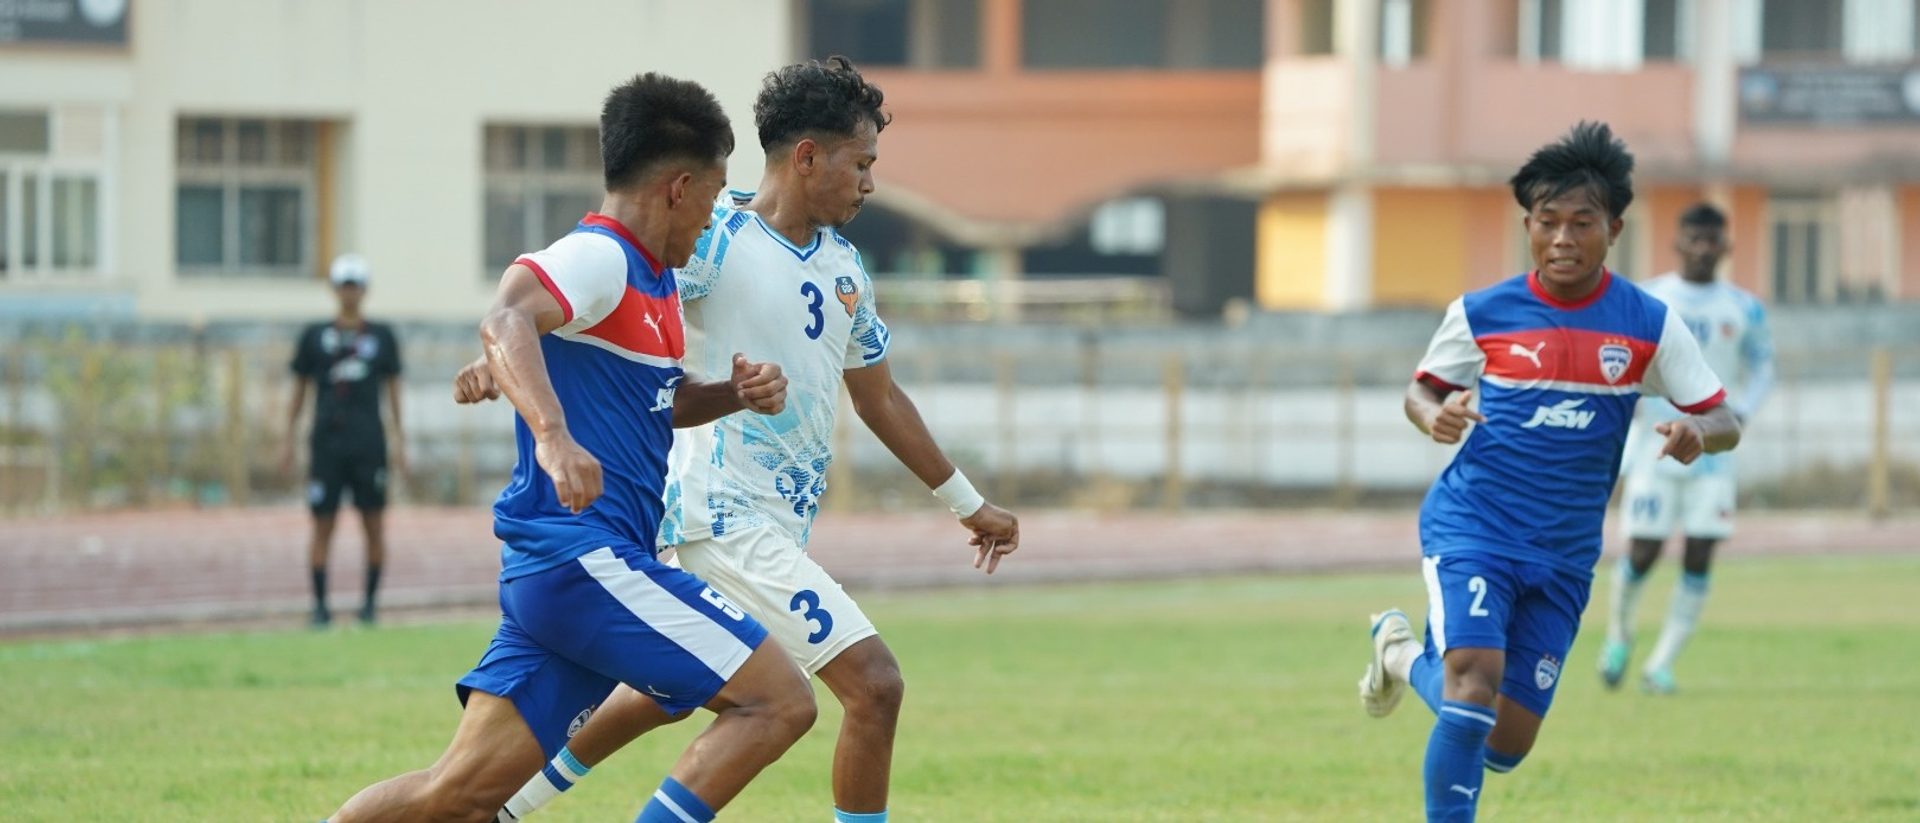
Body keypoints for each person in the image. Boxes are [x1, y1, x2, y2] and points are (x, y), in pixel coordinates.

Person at [471, 56, 1021, 823]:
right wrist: (502, 360)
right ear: (805, 157)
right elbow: (598, 298)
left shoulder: (846, 270)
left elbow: (880, 396)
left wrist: (967, 502)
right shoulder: (709, 234)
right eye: (860, 163)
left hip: (773, 523)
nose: (869, 182)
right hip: (717, 512)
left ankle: (509, 804)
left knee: (662, 694)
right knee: (873, 684)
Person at [326, 72, 817, 823]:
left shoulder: (652, 287)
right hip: (584, 559)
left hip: (565, 573)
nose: (715, 214)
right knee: (779, 701)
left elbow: (656, 402)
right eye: (717, 195)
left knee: (457, 796)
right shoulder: (602, 256)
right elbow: (506, 318)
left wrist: (730, 393)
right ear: (679, 187)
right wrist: (553, 440)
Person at [1353, 122, 1742, 822]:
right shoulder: (1481, 312)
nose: (1562, 238)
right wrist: (1429, 416)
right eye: (1547, 221)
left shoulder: (1649, 324)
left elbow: (1726, 418)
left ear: (1614, 228)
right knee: (1473, 686)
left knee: (1503, 744)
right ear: (1527, 225)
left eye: (1581, 222)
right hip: (1475, 525)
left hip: (1564, 552)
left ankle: (1402, 653)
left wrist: (1696, 432)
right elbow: (1423, 391)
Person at [1599, 203, 1774, 694]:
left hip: (1714, 455)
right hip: (1655, 448)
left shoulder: (1744, 308)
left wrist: (1742, 412)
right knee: (1644, 551)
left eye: (1711, 239)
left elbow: (1763, 366)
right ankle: (1618, 637)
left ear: (1726, 246)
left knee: (1699, 554)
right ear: (1676, 243)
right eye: (1693, 238)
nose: (1702, 248)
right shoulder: (1650, 298)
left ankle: (1660, 665)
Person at [284, 253, 404, 627]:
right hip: (326, 444)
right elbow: (299, 390)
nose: (349, 293)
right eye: (343, 285)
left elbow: (394, 392)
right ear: (334, 289)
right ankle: (320, 606)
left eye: (355, 285)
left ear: (364, 289)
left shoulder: (382, 336)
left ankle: (369, 606)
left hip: (369, 443)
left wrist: (401, 441)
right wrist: (288, 438)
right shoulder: (314, 336)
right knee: (322, 523)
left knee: (374, 523)